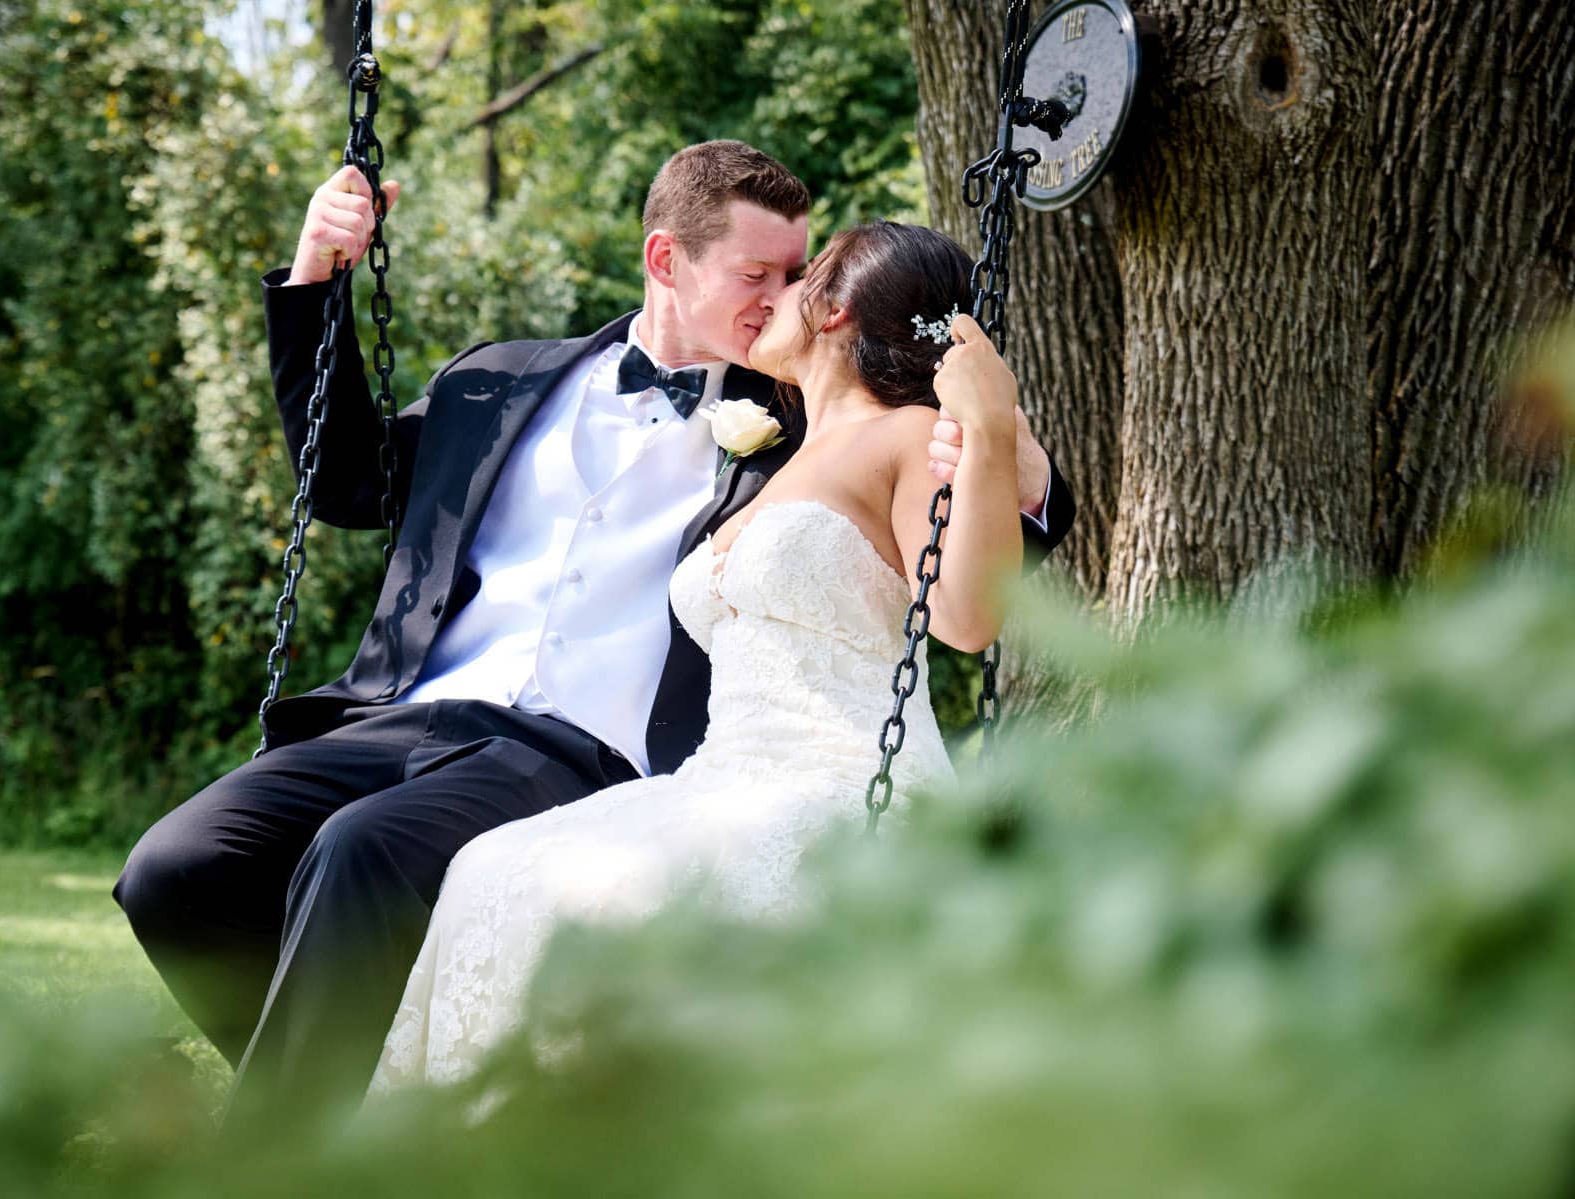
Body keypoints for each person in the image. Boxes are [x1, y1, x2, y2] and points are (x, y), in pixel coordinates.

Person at [111, 140, 1075, 1137]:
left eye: (798, 274)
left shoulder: (804, 427)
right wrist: (317, 276)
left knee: (363, 855)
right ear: (667, 260)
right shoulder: (494, 383)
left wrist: (1020, 467)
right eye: (759, 273)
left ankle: (274, 1160)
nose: (782, 295)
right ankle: (345, 1093)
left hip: (577, 751)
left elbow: (933, 547)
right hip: (402, 719)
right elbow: (346, 478)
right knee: (176, 871)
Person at [370, 219, 1022, 1095]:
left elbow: (968, 619)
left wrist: (990, 432)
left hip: (839, 778)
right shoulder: (786, 456)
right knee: (493, 872)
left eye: (798, 277)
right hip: (722, 776)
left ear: (833, 310)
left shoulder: (906, 437)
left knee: (617, 904)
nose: (772, 298)